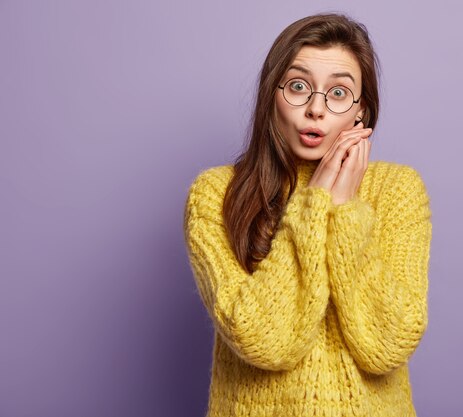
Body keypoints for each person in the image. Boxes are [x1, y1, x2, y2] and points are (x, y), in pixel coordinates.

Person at [183, 12, 432, 417]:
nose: (316, 108)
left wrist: (346, 213)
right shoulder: (214, 194)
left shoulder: (397, 191)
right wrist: (313, 204)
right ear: (272, 96)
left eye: (337, 93)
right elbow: (263, 338)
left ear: (360, 112)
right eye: (299, 87)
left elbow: (388, 344)